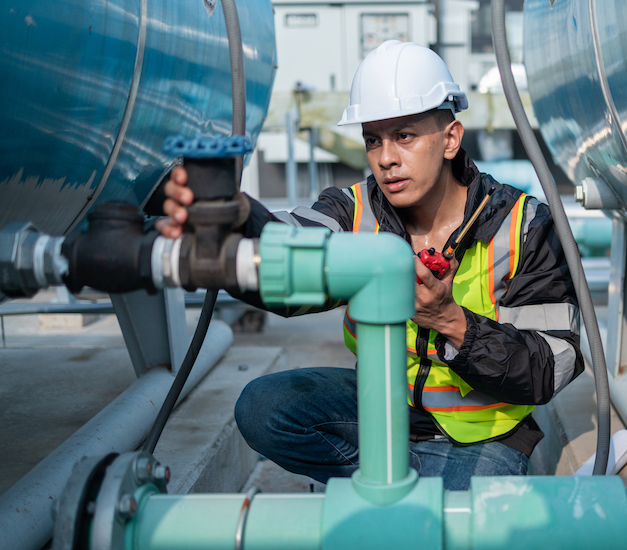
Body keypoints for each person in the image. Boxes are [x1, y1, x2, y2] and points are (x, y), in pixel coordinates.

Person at [156, 40, 583, 491]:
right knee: (264, 407)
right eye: (373, 139)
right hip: (379, 415)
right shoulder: (352, 209)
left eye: (404, 135)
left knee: (448, 534)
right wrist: (239, 218)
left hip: (482, 438)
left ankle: (394, 491)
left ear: (451, 139)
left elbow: (548, 367)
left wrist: (452, 322)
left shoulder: (523, 225)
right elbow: (289, 252)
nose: (385, 158)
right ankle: (401, 485)